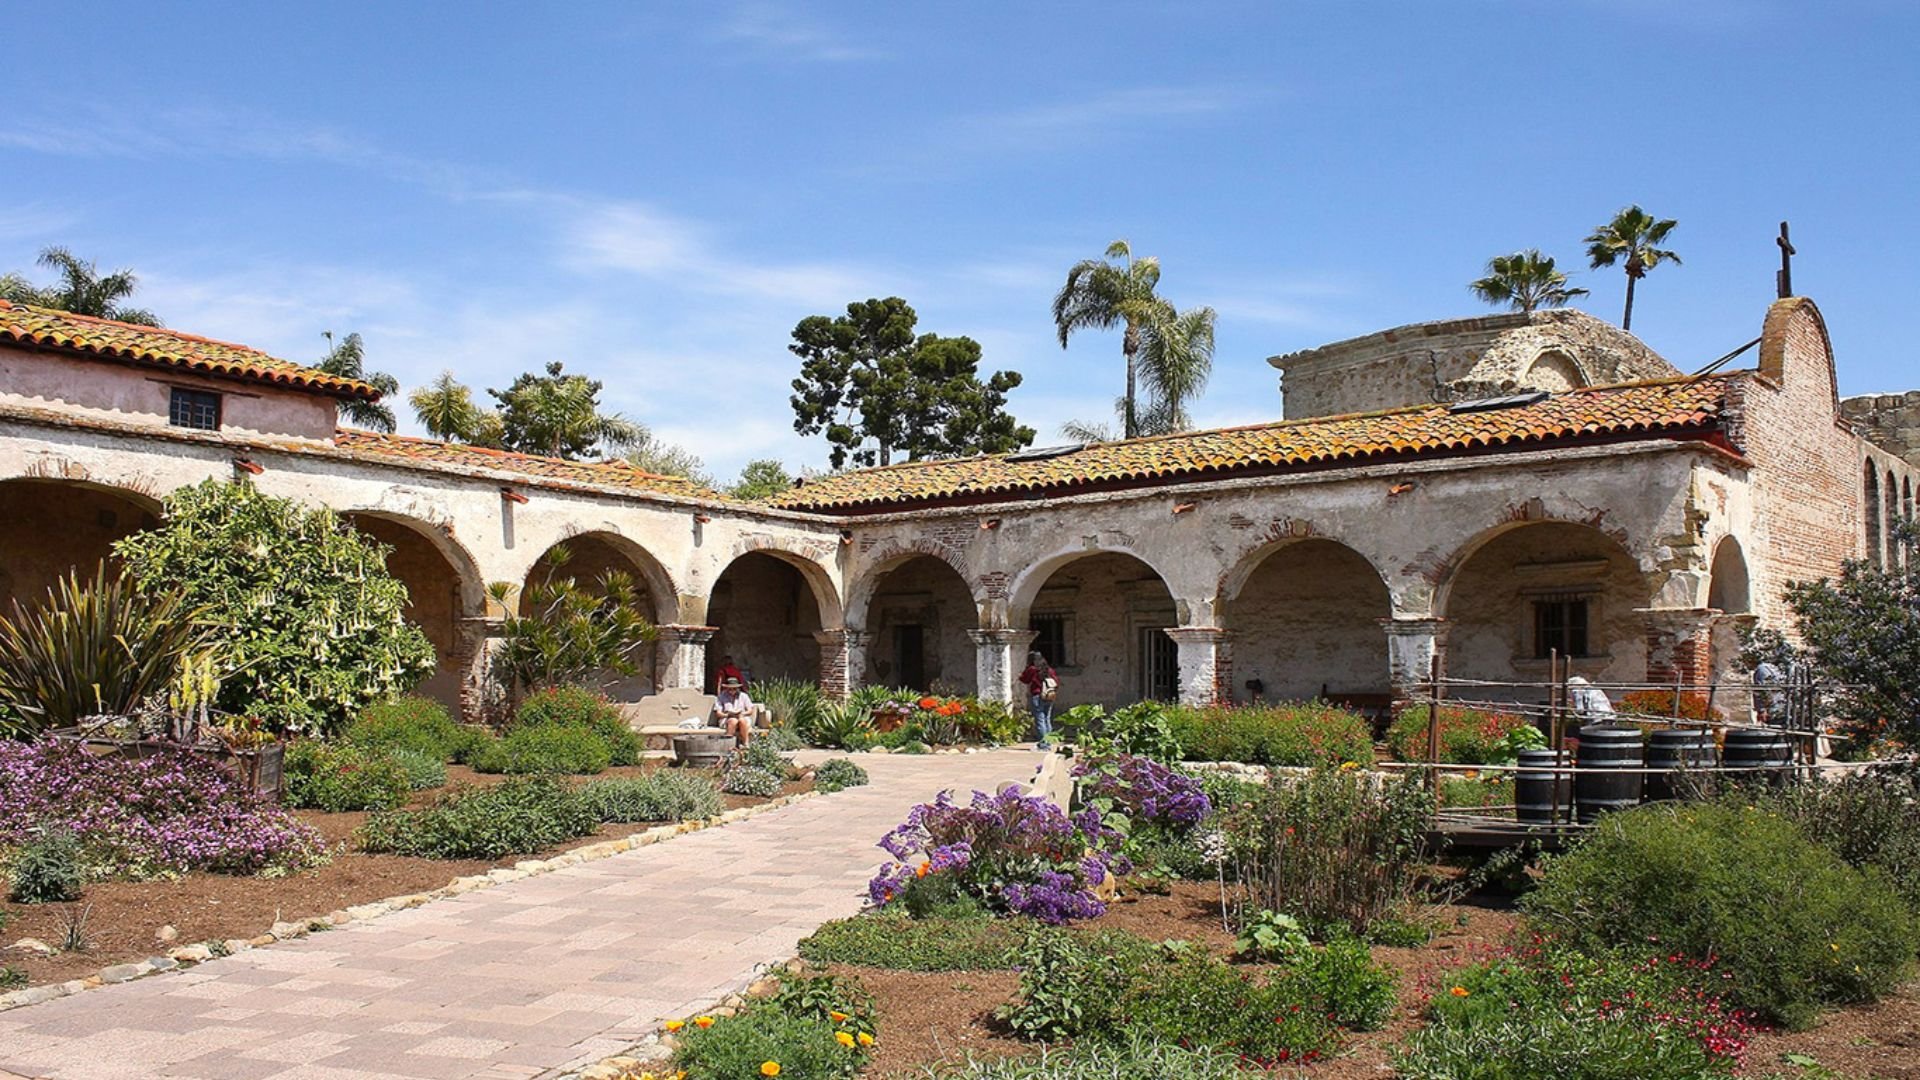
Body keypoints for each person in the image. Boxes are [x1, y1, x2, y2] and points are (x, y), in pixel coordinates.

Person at [1017, 650, 1058, 751]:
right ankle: (1048, 743)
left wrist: (1020, 675)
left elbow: (1024, 679)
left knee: (1040, 720)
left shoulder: (1032, 669)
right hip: (1049, 696)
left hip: (1037, 696)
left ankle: (1044, 744)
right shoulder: (1049, 670)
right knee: (1047, 719)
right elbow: (1056, 681)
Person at [712, 676, 755, 748]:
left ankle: (745, 743)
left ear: (737, 688)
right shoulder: (721, 696)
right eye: (730, 689)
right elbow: (718, 713)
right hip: (726, 718)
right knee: (733, 721)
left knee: (742, 720)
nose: (732, 691)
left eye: (734, 688)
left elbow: (750, 710)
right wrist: (728, 715)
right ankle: (728, 745)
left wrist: (742, 714)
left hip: (742, 716)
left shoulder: (744, 696)